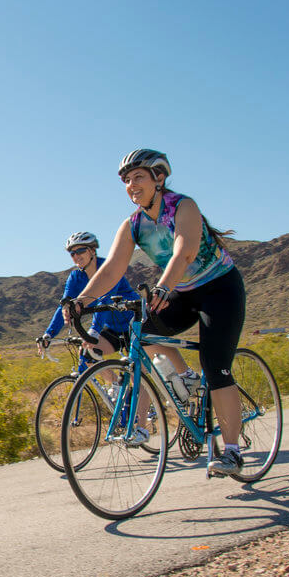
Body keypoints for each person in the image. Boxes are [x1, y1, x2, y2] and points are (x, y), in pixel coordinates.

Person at [67, 149, 247, 476]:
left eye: (138, 177)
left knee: (216, 363)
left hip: (220, 289)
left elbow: (185, 250)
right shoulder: (133, 224)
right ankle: (187, 380)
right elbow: (110, 271)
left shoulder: (183, 206)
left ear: (158, 178)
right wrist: (81, 300)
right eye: (126, 180)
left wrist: (163, 286)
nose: (131, 184)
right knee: (143, 331)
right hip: (185, 292)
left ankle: (232, 451)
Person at [37, 232, 151, 445]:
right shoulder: (76, 277)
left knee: (137, 376)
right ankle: (116, 385)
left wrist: (94, 332)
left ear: (92, 251)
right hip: (113, 327)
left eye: (80, 250)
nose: (76, 256)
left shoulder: (108, 268)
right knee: (88, 354)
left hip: (132, 322)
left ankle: (141, 428)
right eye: (72, 253)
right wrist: (48, 335)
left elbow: (104, 301)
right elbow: (65, 307)